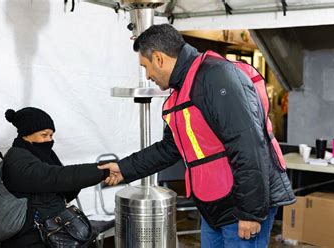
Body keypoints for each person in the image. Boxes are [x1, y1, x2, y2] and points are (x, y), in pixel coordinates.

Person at [98, 24, 295, 247]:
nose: (148, 75)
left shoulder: (216, 76)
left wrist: (250, 213)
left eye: (146, 66)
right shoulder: (183, 89)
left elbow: (248, 144)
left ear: (159, 58)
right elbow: (170, 147)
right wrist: (124, 168)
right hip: (215, 206)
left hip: (241, 206)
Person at [1, 107, 109, 247]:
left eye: (51, 136)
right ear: (26, 134)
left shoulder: (44, 155)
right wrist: (100, 171)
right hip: (28, 237)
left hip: (49, 231)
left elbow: (64, 187)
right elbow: (54, 177)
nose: (49, 140)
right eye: (44, 135)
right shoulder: (17, 159)